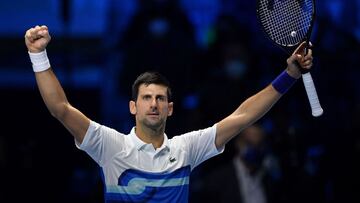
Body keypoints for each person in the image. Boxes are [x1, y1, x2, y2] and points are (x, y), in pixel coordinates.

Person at [24, 25, 313, 203]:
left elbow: (244, 116)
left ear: (169, 108)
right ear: (133, 107)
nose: (153, 103)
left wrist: (289, 75)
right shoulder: (110, 146)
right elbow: (60, 109)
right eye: (146, 98)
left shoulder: (186, 149)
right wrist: (38, 55)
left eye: (160, 98)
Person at [199, 124, 282, 203]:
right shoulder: (218, 179)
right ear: (238, 143)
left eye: (259, 145)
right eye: (250, 144)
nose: (255, 149)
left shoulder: (269, 177)